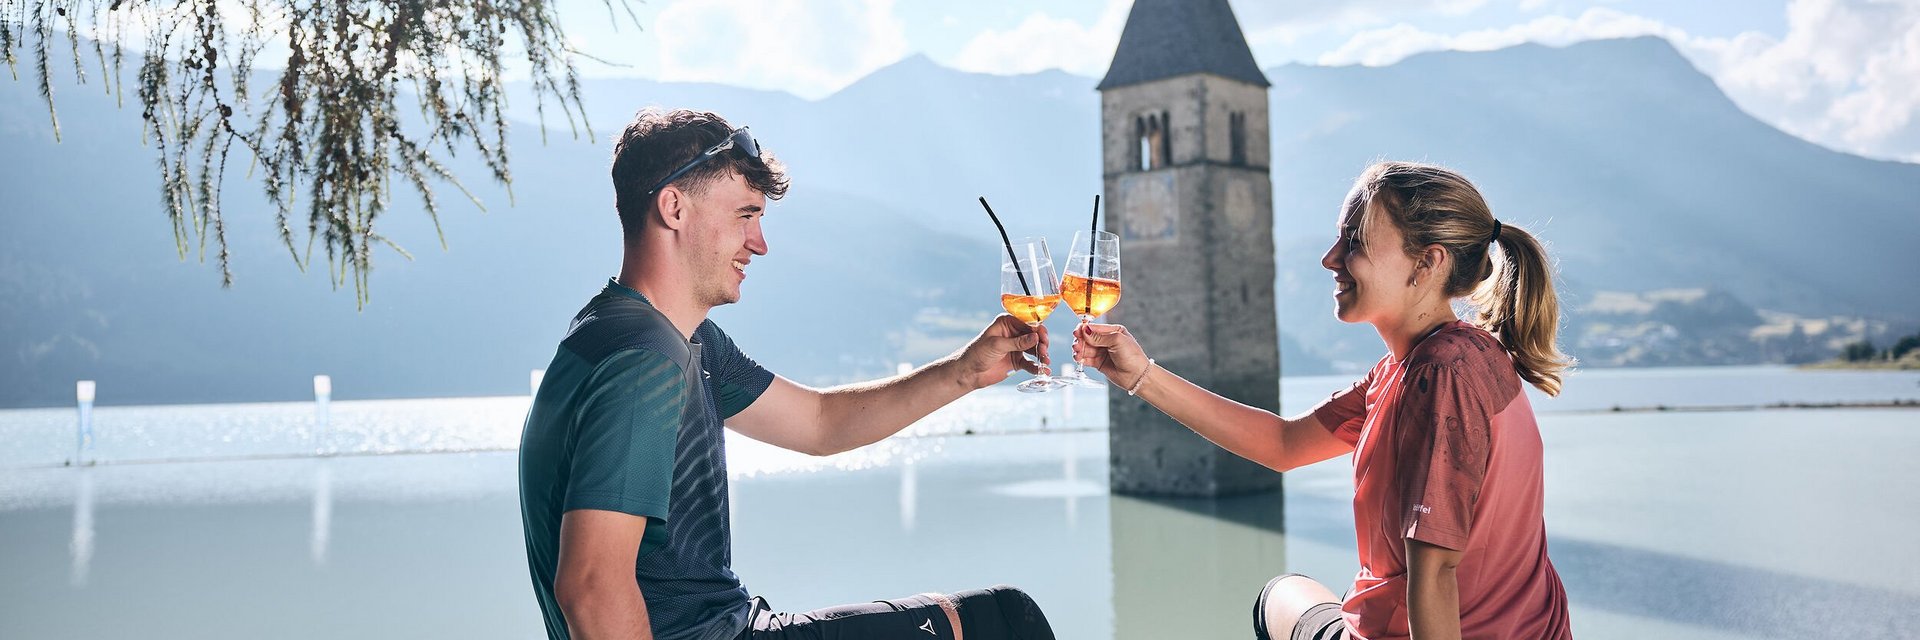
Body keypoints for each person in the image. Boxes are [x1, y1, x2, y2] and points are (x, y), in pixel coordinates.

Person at [518, 108, 1057, 640]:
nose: (759, 243)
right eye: (744, 216)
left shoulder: (662, 336)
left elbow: (819, 422)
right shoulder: (645, 360)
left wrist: (964, 372)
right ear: (674, 208)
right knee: (1005, 624)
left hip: (736, 623)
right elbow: (590, 587)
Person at [1075, 161, 1575, 640]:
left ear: (1427, 261)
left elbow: (1437, 572)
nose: (1330, 258)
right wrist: (1141, 374)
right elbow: (1284, 443)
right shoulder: (1449, 358)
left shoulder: (1438, 376)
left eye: (1354, 242)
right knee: (1287, 593)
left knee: (1279, 595)